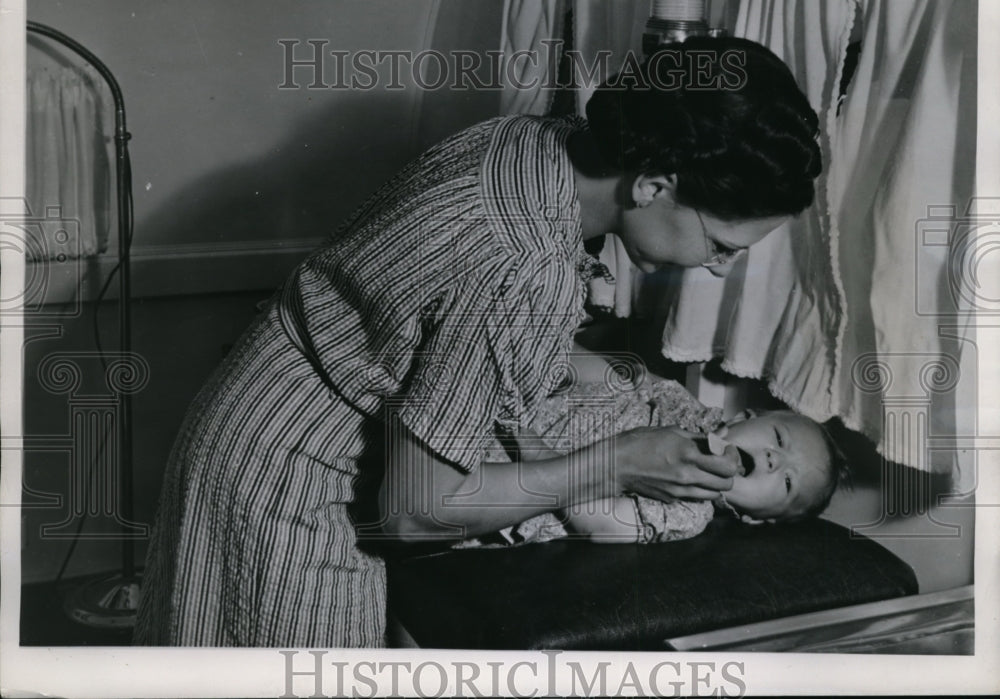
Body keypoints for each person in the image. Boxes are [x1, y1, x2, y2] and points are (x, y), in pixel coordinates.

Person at [134, 36, 822, 647]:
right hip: (290, 484)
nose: (717, 265)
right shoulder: (523, 264)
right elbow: (413, 511)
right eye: (721, 243)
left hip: (252, 417)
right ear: (653, 183)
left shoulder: (530, 140)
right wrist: (611, 463)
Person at [459, 372, 844, 548]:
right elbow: (618, 374)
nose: (774, 459)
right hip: (508, 404)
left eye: (787, 481)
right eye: (778, 438)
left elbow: (598, 523)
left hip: (505, 486)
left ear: (755, 518)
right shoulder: (680, 402)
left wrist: (525, 438)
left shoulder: (690, 512)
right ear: (746, 418)